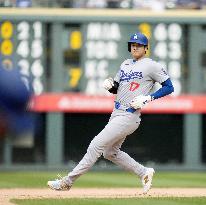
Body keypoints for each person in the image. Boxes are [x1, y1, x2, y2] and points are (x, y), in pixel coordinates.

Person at [47, 32, 174, 194]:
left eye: (139, 45)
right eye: (133, 45)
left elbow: (169, 87)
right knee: (109, 152)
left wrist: (148, 98)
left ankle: (67, 182)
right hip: (117, 112)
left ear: (145, 48)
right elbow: (117, 88)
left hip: (129, 114)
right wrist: (111, 86)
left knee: (95, 145)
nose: (135, 47)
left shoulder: (151, 65)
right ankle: (143, 172)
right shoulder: (125, 64)